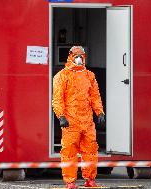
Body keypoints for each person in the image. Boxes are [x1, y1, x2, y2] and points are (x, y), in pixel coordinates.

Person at [52, 46, 105, 189]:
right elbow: (58, 99)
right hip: (70, 122)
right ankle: (70, 182)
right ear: (70, 56)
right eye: (76, 55)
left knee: (91, 152)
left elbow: (95, 96)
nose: (79, 58)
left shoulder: (90, 76)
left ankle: (90, 180)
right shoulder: (62, 76)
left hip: (87, 121)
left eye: (81, 55)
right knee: (69, 152)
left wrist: (99, 112)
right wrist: (61, 116)